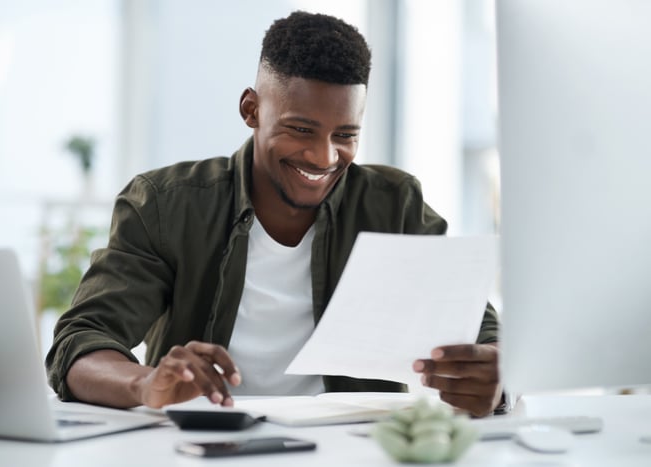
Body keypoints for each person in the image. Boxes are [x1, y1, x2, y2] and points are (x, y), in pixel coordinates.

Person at [46, 11, 502, 418]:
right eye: (300, 129)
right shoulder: (166, 204)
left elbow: (480, 331)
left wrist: (496, 377)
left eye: (345, 135)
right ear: (251, 109)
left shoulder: (393, 204)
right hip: (200, 443)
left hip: (349, 450)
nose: (324, 157)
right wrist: (146, 384)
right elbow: (80, 343)